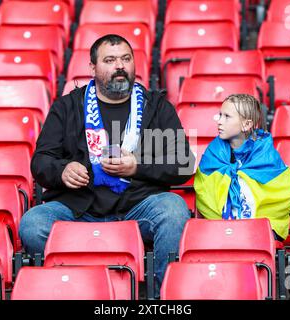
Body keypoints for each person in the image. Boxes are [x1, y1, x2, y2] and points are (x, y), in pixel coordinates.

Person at [19, 34, 195, 296]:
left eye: (126, 59)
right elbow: (41, 161)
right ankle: (68, 290)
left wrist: (137, 166)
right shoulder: (68, 107)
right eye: (110, 60)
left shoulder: (156, 107)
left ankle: (162, 297)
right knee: (33, 224)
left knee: (173, 210)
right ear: (93, 68)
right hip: (79, 208)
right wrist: (63, 171)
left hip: (138, 207)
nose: (119, 66)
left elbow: (183, 163)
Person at [194, 94, 290, 241]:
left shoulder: (266, 155)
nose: (219, 121)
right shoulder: (214, 152)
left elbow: (281, 193)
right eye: (220, 115)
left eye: (227, 117)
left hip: (262, 229)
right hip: (218, 229)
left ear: (246, 125)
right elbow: (204, 191)